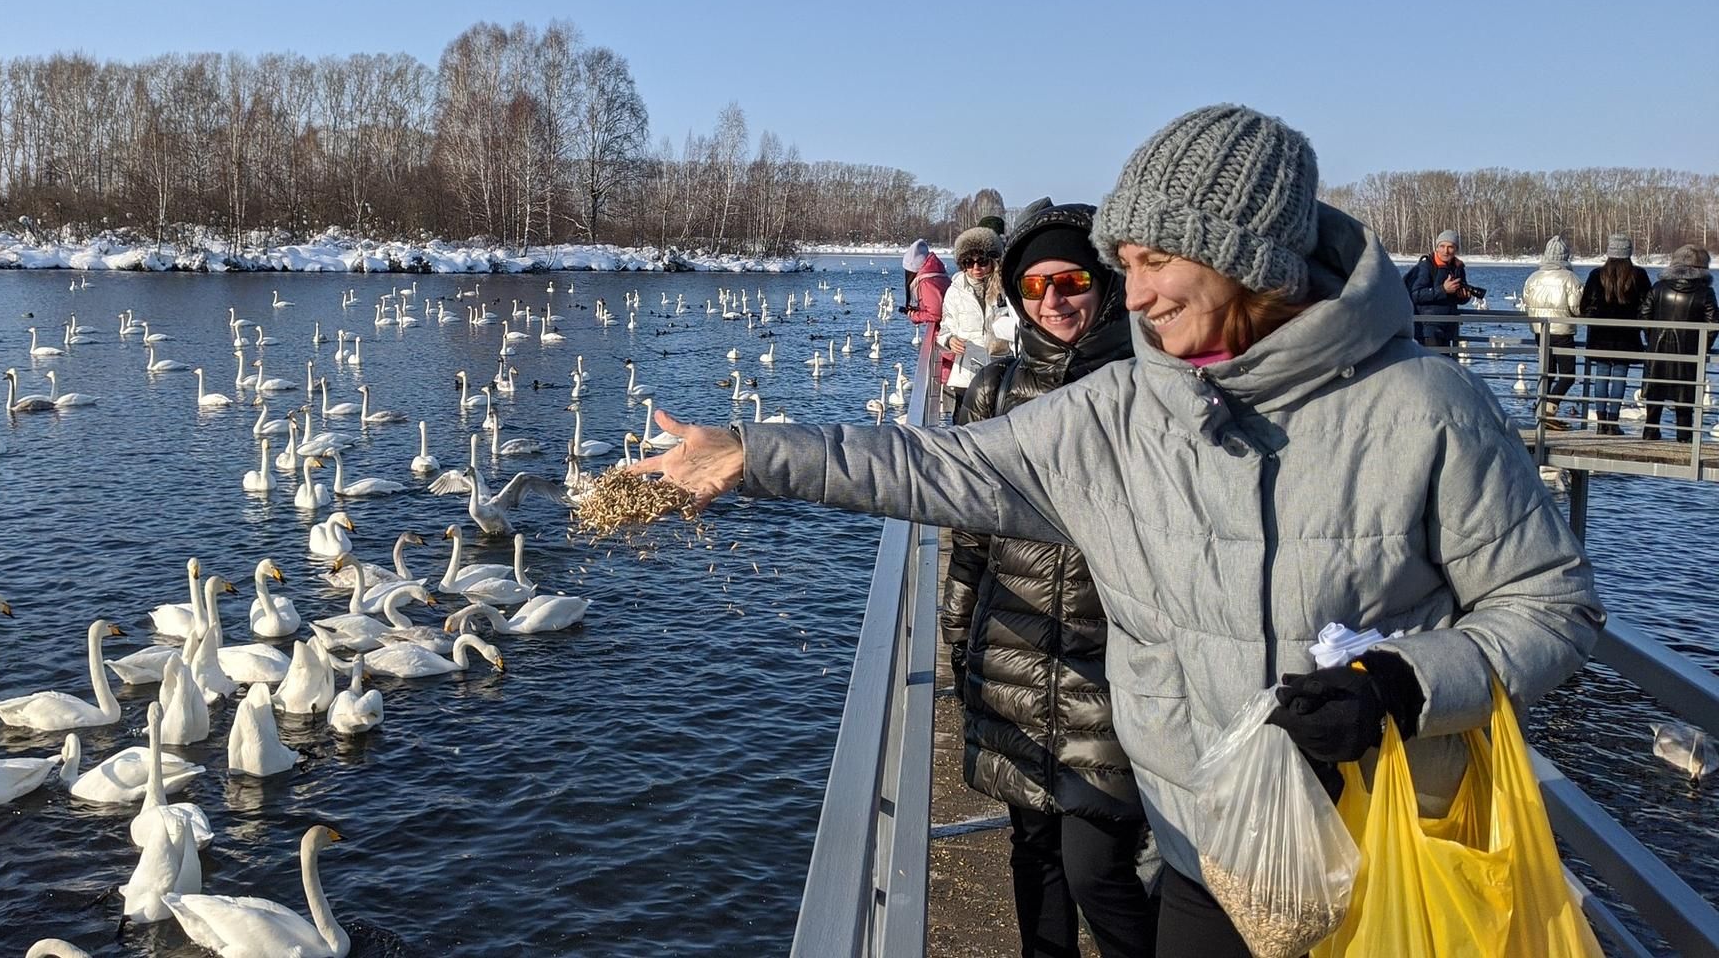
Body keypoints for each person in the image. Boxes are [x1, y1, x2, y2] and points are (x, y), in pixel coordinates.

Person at [634, 104, 1603, 954]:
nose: (1130, 296)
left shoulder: (1425, 407)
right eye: (1124, 266)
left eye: (1153, 263)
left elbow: (1554, 610)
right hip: (1210, 852)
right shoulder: (1116, 413)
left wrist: (1400, 683)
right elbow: (939, 464)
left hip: (1391, 846)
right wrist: (753, 453)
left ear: (1247, 258)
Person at [943, 203, 1152, 958]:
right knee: (1032, 856)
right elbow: (969, 537)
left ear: (1105, 284)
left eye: (1069, 281)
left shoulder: (1147, 391)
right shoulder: (994, 392)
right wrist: (959, 643)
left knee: (1097, 868)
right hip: (1014, 657)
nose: (1053, 302)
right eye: (1033, 288)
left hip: (1109, 670)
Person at [1637, 244, 1718, 442]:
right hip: (1689, 354)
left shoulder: (1659, 288)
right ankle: (1684, 437)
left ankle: (1650, 432)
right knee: (1685, 397)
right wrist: (1702, 347)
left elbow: (1643, 315)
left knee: (1655, 393)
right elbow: (1713, 323)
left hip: (1657, 351)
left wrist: (1652, 337)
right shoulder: (1705, 292)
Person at [1579, 234, 1651, 434]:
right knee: (1620, 377)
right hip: (1627, 337)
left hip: (1600, 336)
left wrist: (1595, 316)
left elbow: (1584, 305)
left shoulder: (1596, 275)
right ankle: (1613, 422)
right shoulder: (1639, 275)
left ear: (1609, 251)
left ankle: (1601, 424)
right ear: (1629, 252)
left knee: (1601, 376)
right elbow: (1647, 306)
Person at [939, 225, 1011, 412]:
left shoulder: (1007, 289)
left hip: (1001, 369)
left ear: (993, 260)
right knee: (965, 425)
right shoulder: (955, 291)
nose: (976, 268)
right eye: (969, 263)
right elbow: (945, 326)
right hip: (967, 372)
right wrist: (949, 340)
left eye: (982, 261)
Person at [1522, 236, 1585, 429]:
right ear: (1565, 255)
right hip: (1563, 332)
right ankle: (1549, 409)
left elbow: (1526, 303)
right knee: (1568, 374)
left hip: (1540, 331)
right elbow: (1577, 308)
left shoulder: (1533, 277)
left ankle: (1542, 410)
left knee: (1547, 372)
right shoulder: (1570, 279)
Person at [1402, 229, 1473, 353]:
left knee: (1445, 366)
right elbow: (1414, 295)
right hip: (1427, 328)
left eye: (1450, 247)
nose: (1445, 251)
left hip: (1449, 326)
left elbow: (1454, 298)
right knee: (1432, 368)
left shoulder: (1458, 268)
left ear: (1456, 249)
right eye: (1442, 246)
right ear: (1436, 247)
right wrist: (1443, 290)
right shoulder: (1425, 267)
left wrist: (1464, 297)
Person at [903, 238, 950, 340]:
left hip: (946, 335)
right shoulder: (939, 275)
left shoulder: (927, 283)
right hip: (950, 332)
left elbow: (935, 314)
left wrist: (914, 316)